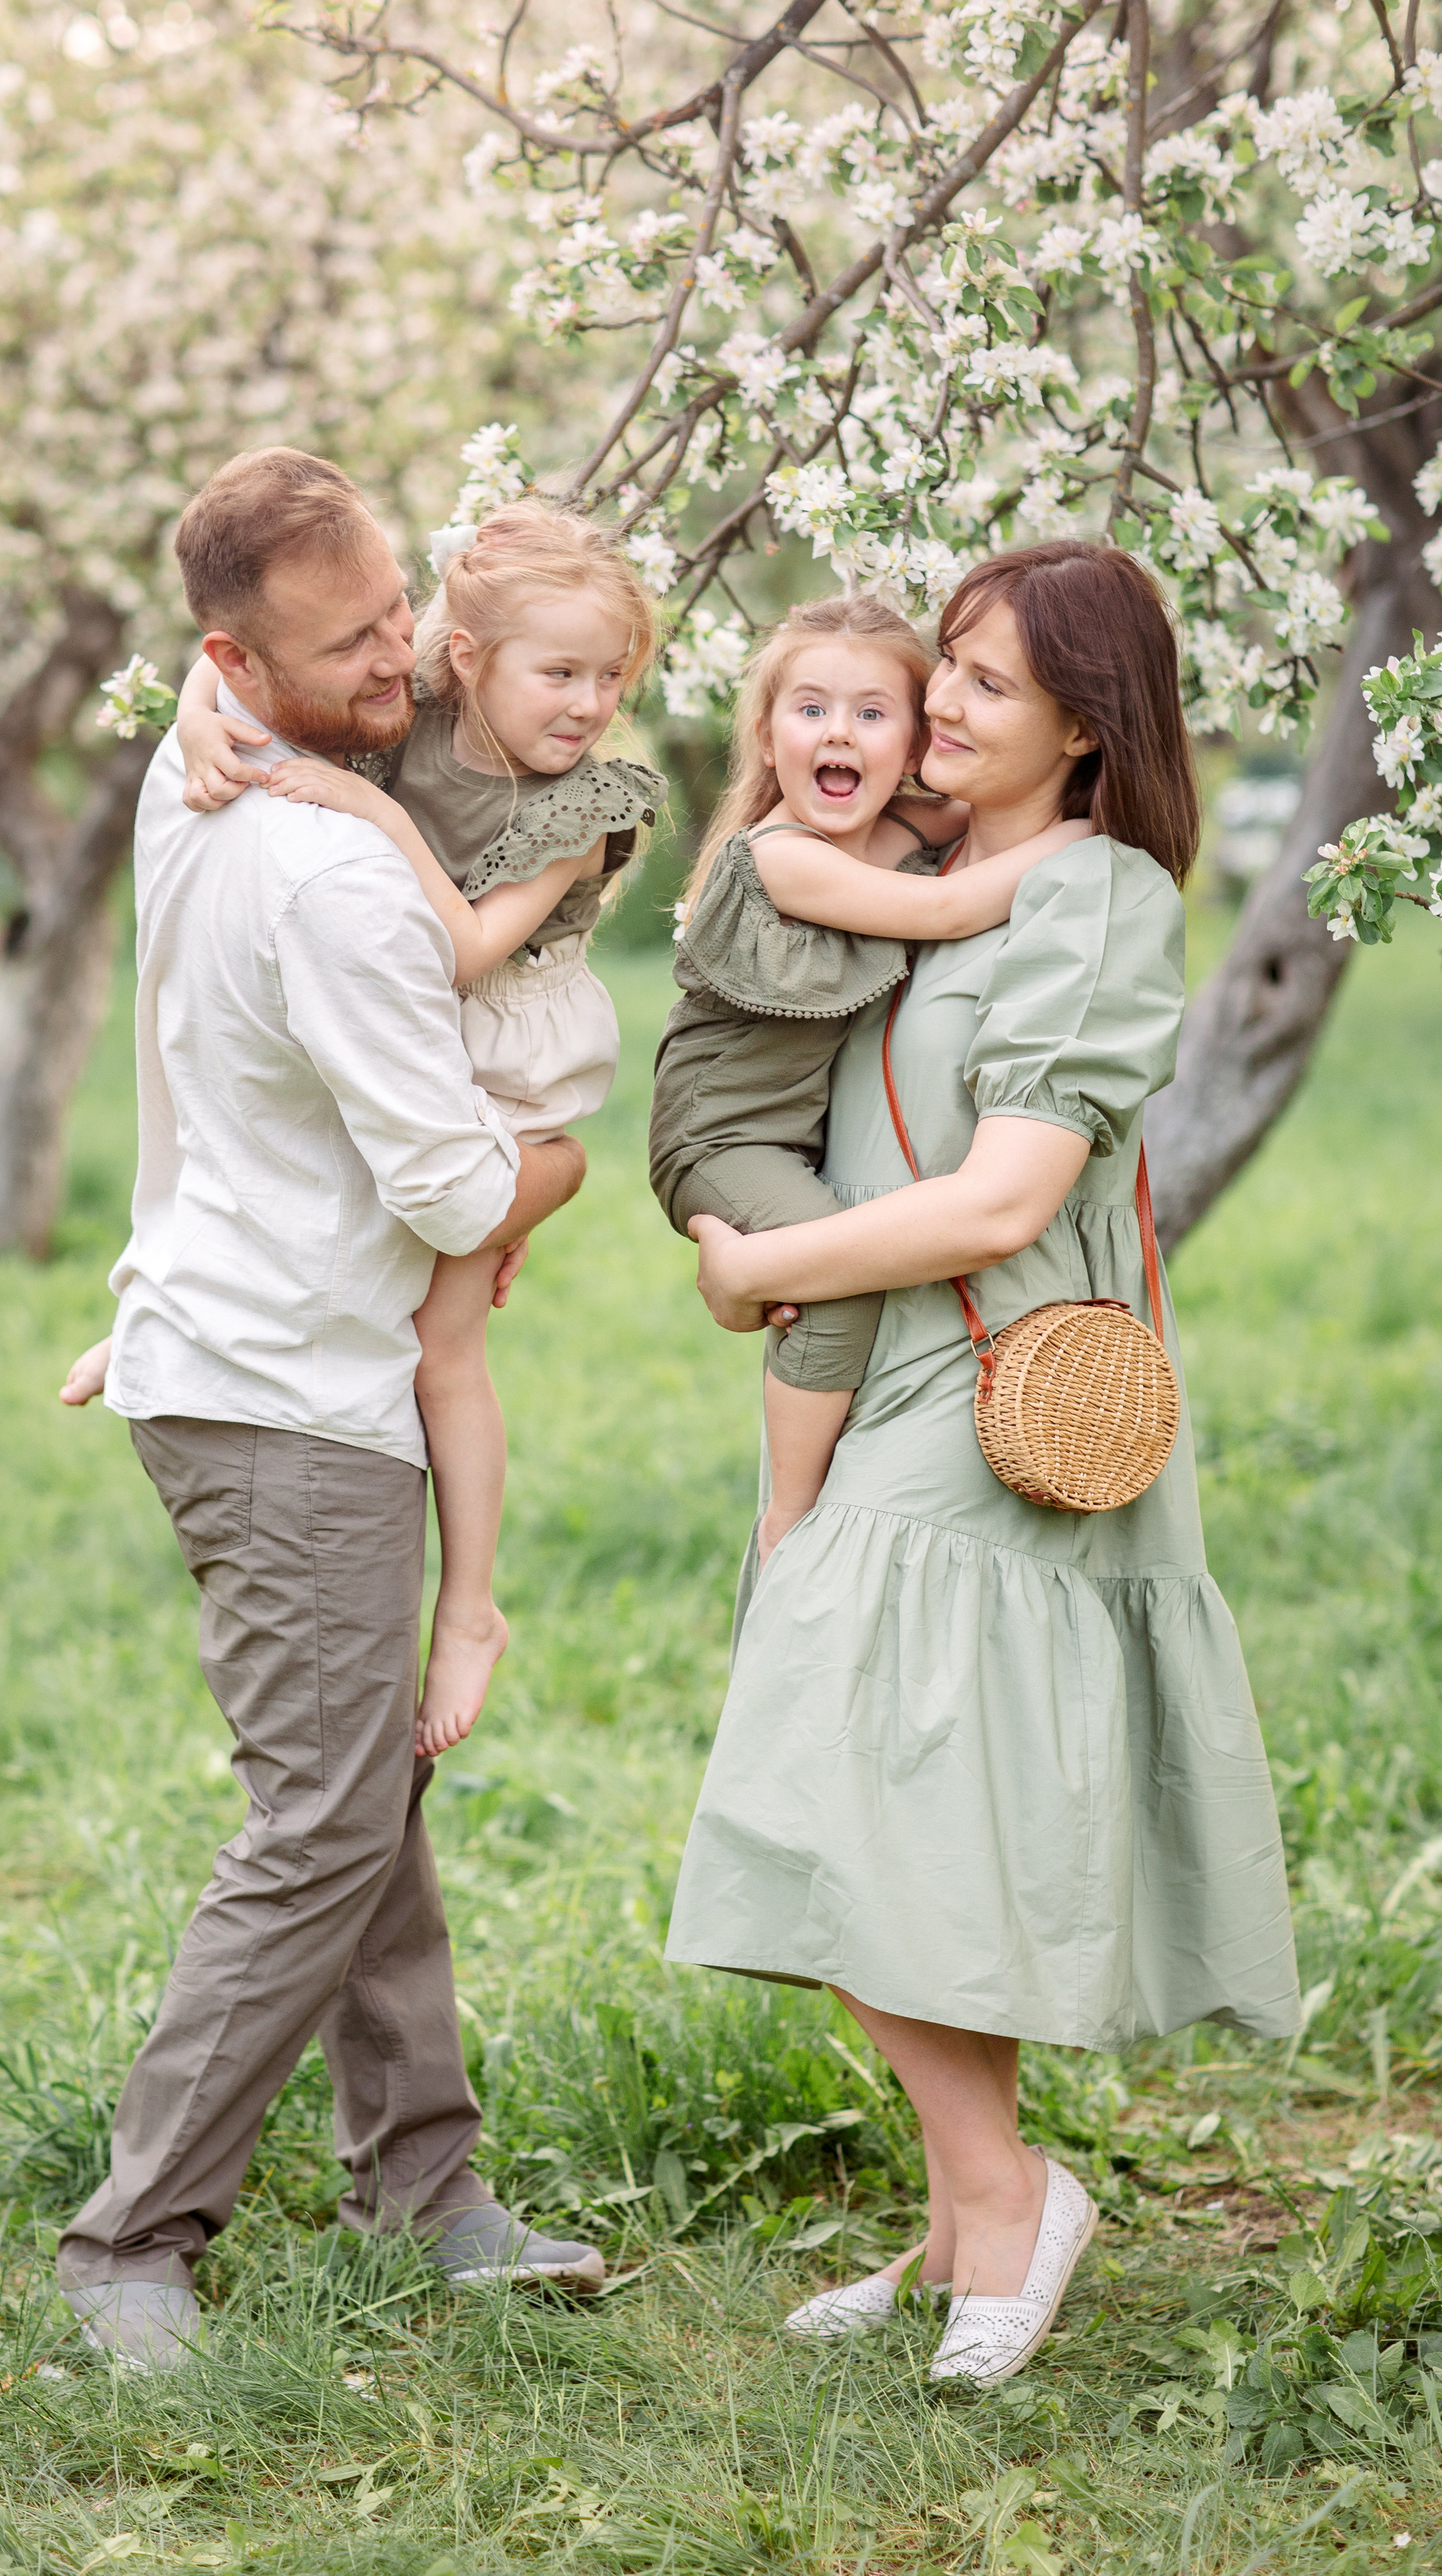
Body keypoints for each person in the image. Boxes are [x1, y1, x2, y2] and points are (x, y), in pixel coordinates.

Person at [669, 542, 1301, 2390]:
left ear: (1086, 728)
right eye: (941, 664)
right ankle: (963, 2223)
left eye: (988, 688)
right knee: (925, 1802)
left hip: (1003, 1377)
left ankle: (1012, 2194)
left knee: (824, 1771)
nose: (939, 704)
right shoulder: (918, 872)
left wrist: (763, 1266)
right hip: (897, 1374)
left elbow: (1011, 1190)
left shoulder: (1095, 898)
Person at [54, 447, 608, 2371]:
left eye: (399, 610)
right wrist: (562, 1172)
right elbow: (454, 1191)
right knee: (322, 1820)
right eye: (348, 643)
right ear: (231, 657)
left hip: (245, 1352)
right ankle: (132, 2235)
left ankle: (424, 2183)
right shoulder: (331, 881)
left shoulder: (203, 746)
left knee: (366, 1796)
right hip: (289, 1396)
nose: (399, 661)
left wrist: (265, 711)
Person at [168, 500, 663, 1750]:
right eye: (561, 672)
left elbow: (466, 948)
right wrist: (192, 711)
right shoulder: (413, 694)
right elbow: (240, 650)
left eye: (613, 676)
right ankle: (150, 1321)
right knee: (269, 1126)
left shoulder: (590, 798)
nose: (590, 703)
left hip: (509, 1050)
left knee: (444, 1350)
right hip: (429, 1035)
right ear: (469, 654)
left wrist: (370, 812)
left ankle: (474, 1605)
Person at [648, 594, 1093, 1566]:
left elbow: (974, 805)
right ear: (766, 738)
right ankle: (790, 1519)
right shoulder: (781, 858)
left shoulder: (888, 833)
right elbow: (961, 905)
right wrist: (1085, 838)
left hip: (782, 1134)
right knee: (834, 1286)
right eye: (809, 711)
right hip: (722, 1137)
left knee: (831, 1270)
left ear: (915, 739)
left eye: (872, 714)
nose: (839, 733)